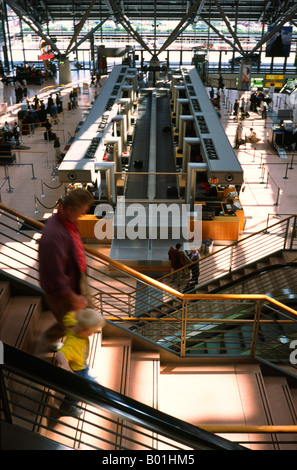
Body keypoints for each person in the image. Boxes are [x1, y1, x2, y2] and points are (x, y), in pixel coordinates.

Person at [38, 188, 94, 350]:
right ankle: (79, 370)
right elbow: (54, 277)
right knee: (80, 329)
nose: (82, 217)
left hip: (77, 280)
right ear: (70, 209)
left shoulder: (68, 221)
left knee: (81, 321)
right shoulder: (53, 237)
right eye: (81, 213)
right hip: (63, 293)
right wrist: (74, 298)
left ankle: (47, 339)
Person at [56, 308, 105, 418]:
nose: (94, 332)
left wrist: (78, 307)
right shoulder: (73, 344)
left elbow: (68, 315)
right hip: (77, 372)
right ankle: (67, 407)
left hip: (81, 364)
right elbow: (60, 354)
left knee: (89, 381)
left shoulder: (74, 323)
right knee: (76, 392)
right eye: (93, 331)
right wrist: (64, 364)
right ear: (86, 331)